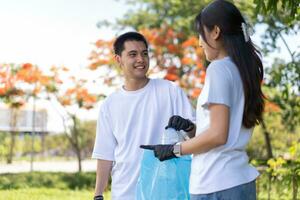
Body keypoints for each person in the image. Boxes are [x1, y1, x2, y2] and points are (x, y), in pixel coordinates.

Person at [141, 0, 265, 199]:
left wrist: (174, 150)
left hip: (216, 184)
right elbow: (223, 131)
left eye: (201, 33)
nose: (199, 42)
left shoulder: (219, 69)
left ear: (215, 32)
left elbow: (218, 135)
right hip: (239, 182)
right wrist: (190, 128)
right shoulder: (242, 70)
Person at [92, 31, 195, 200]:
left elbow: (198, 136)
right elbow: (105, 155)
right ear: (118, 59)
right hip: (124, 193)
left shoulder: (170, 91)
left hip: (167, 192)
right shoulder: (109, 105)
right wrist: (98, 194)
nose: (141, 59)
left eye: (144, 53)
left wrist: (188, 125)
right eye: (133, 54)